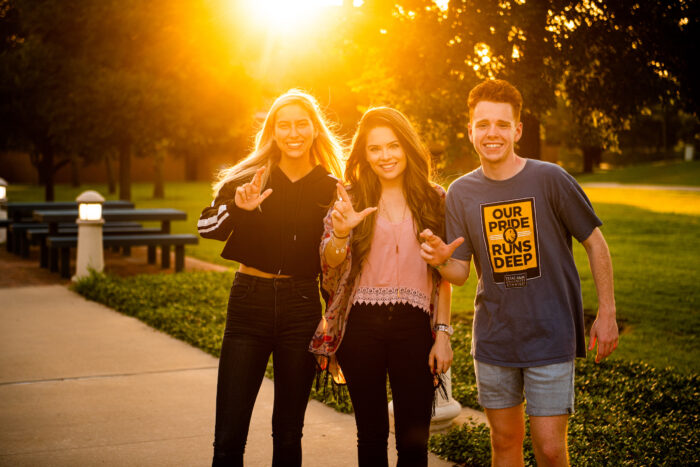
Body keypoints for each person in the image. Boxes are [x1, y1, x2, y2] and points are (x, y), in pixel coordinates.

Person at [420, 79, 619, 467]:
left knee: (549, 448)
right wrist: (440, 258)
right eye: (482, 124)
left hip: (551, 335)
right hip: (495, 339)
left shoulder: (550, 179)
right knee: (505, 444)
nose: (491, 133)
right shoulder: (461, 192)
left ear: (517, 130)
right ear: (470, 130)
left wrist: (606, 312)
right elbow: (459, 273)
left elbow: (595, 242)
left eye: (501, 124)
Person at [198, 89, 343, 466]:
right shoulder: (250, 178)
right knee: (229, 434)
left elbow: (338, 261)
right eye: (284, 125)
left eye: (301, 124)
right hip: (249, 303)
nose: (293, 132)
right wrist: (239, 208)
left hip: (300, 308)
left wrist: (335, 321)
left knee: (289, 434)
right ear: (273, 131)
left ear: (314, 129)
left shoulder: (332, 188)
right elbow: (205, 226)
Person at [309, 107, 454, 467]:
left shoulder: (434, 199)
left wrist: (443, 334)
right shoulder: (351, 199)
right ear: (364, 154)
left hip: (415, 330)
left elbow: (444, 274)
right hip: (361, 329)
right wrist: (341, 234)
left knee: (414, 442)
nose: (385, 156)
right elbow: (328, 264)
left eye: (393, 146)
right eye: (375, 149)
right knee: (371, 438)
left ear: (407, 147)